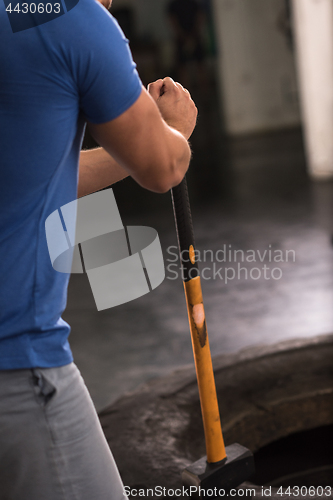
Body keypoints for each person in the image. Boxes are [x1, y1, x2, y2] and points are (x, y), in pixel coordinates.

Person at [0, 0, 197, 497]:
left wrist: (134, 141)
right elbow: (163, 167)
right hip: (17, 366)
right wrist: (170, 130)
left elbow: (39, 174)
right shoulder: (72, 18)